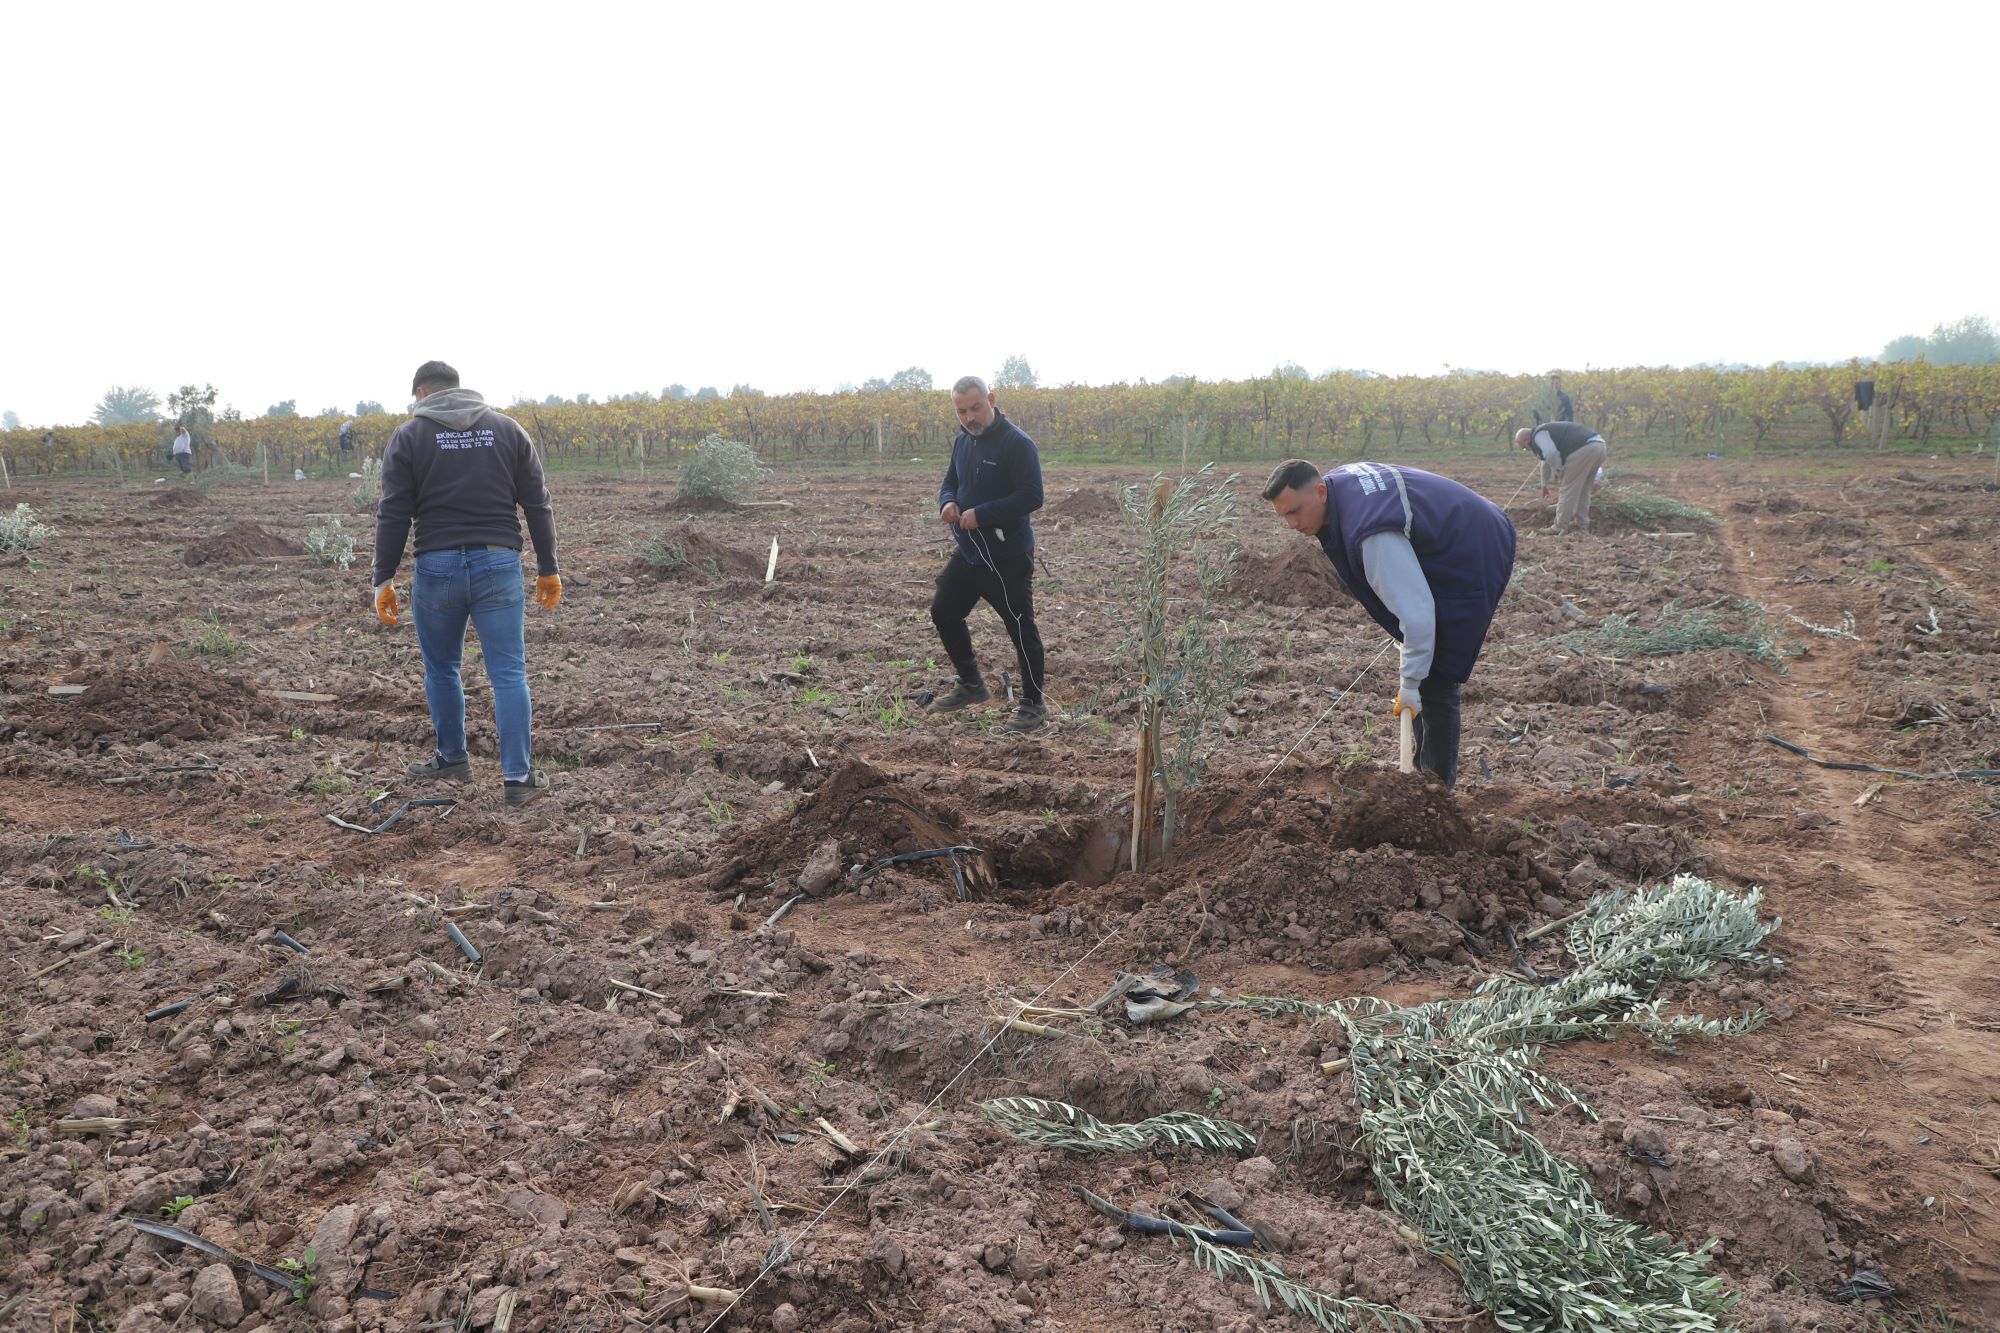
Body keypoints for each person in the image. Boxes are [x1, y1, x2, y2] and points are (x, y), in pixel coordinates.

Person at [371, 360, 562, 807]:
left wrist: (383, 577)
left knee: (442, 669)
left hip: (436, 568)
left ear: (422, 393)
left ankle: (452, 759)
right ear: (460, 389)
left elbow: (394, 511)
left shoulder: (409, 436)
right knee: (509, 672)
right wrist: (548, 566)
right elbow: (538, 503)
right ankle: (518, 778)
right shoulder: (508, 430)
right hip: (498, 563)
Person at [1263, 459, 1516, 786]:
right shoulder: (1341, 488)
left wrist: (1410, 683)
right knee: (1424, 659)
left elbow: (1418, 613)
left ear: (1321, 491)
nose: (1291, 525)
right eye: (1283, 515)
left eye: (1295, 511)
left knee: (1436, 675)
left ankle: (1434, 795)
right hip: (1458, 524)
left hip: (1472, 544)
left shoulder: (1371, 534)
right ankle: (1420, 777)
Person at [929, 375, 1048, 734]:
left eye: (976, 408)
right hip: (969, 554)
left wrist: (982, 513)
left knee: (1020, 628)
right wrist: (947, 501)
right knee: (944, 611)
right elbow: (950, 481)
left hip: (1007, 556)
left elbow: (1032, 496)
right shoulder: (963, 441)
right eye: (962, 411)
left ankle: (1033, 705)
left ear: (991, 400)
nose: (969, 417)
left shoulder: (1017, 444)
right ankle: (971, 684)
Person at [1514, 421, 1607, 535]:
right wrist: (1544, 485)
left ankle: (1559, 526)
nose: (1524, 448)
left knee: (1567, 490)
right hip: (1599, 446)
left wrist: (1559, 470)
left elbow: (1550, 454)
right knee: (1583, 490)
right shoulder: (1544, 434)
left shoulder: (1538, 435)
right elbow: (1545, 461)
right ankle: (1581, 524)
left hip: (1584, 450)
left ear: (1525, 440)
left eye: (1522, 446)